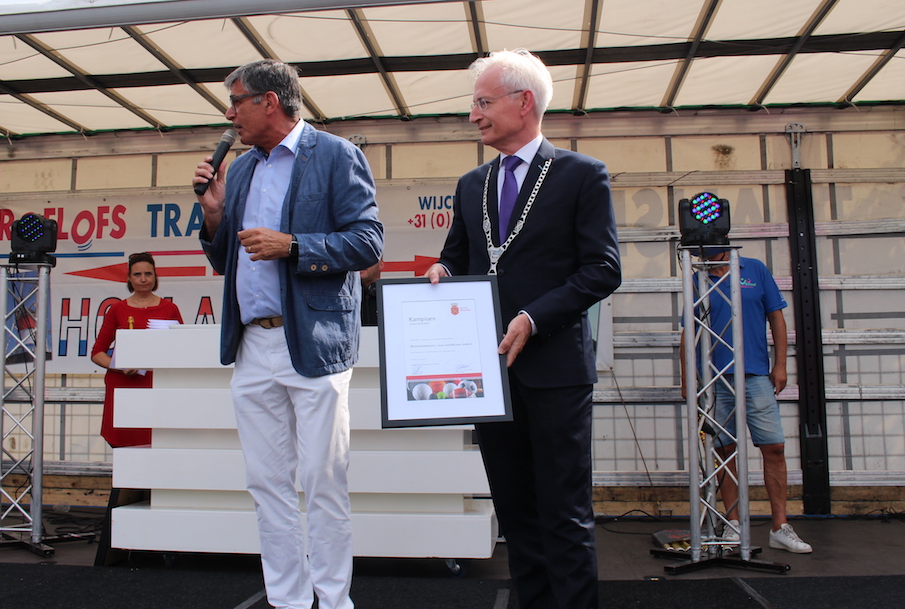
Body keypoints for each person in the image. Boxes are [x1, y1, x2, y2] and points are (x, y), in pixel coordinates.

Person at [426, 49, 622, 609]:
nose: (474, 115)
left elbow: (603, 269)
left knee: (564, 513)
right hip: (489, 375)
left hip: (555, 370)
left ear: (524, 102)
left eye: (483, 102)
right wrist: (441, 273)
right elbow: (457, 258)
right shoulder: (471, 185)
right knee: (515, 514)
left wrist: (534, 317)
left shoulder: (581, 174)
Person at [193, 59, 383, 609]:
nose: (229, 115)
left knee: (323, 481)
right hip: (252, 345)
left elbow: (368, 242)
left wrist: (293, 245)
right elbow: (226, 258)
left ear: (269, 102)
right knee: (266, 483)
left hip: (315, 343)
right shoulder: (241, 170)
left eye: (236, 102)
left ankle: (334, 600)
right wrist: (213, 216)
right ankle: (288, 600)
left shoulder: (336, 155)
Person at [679, 246, 813, 554]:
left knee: (774, 447)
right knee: (724, 452)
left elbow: (776, 317)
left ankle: (780, 526)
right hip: (714, 379)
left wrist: (780, 365)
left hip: (754, 375)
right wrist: (687, 379)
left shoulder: (754, 269)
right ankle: (733, 523)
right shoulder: (698, 279)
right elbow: (689, 330)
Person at [91, 252, 183, 448]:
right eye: (137, 274)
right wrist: (121, 366)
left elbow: (181, 349)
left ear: (155, 277)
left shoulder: (169, 309)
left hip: (156, 385)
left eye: (148, 274)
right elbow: (97, 353)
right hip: (123, 385)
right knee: (124, 447)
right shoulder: (117, 310)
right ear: (129, 278)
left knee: (156, 443)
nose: (143, 279)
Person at [359, 259, 383, 326]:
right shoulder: (343, 300)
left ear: (381, 264)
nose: (361, 264)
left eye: (366, 258)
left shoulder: (392, 299)